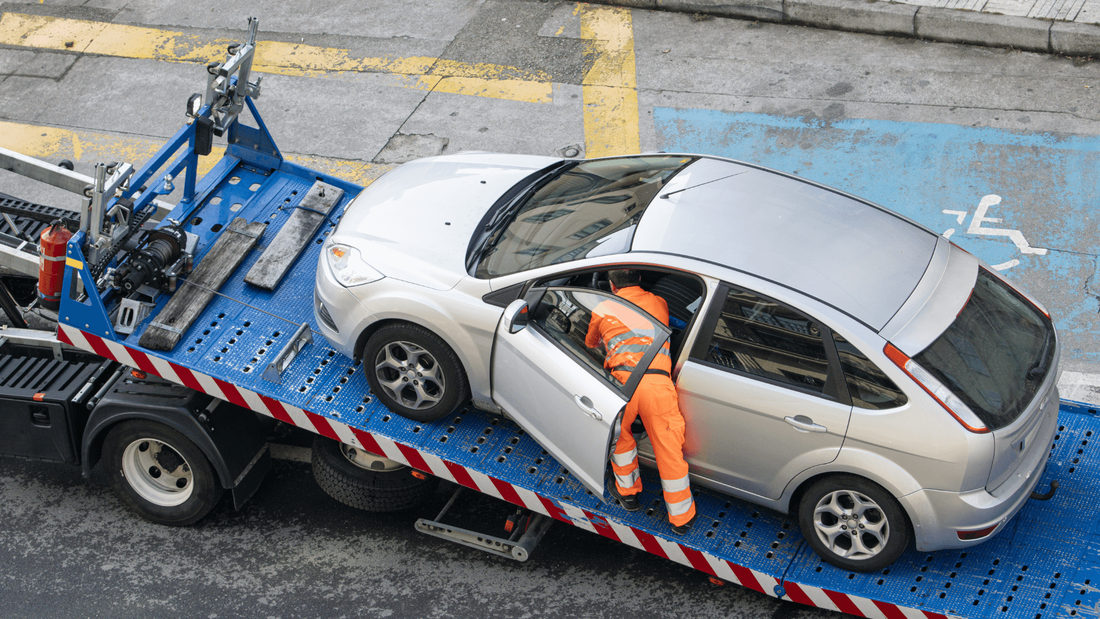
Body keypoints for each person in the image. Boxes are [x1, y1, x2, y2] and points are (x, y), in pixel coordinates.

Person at [585, 269, 697, 534]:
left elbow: (591, 343)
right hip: (657, 385)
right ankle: (681, 518)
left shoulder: (602, 308)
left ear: (612, 286)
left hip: (622, 386)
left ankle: (629, 494)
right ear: (638, 280)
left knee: (620, 440)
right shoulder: (659, 302)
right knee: (668, 449)